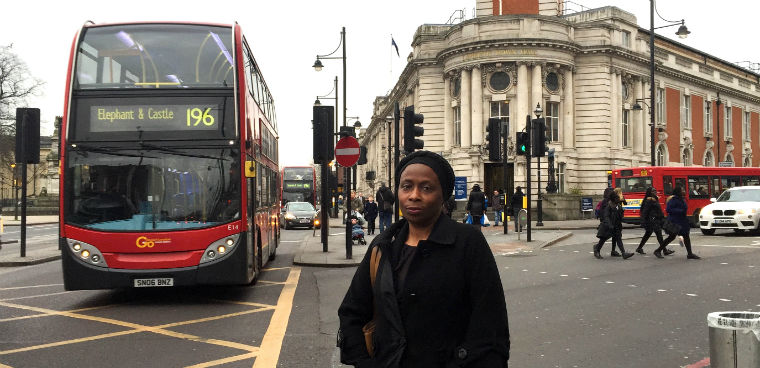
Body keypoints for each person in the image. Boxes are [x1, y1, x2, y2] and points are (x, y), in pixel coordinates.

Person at [337, 150, 510, 367]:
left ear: (443, 195)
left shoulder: (468, 243)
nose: (414, 195)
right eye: (406, 186)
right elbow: (352, 312)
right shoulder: (384, 245)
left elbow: (490, 328)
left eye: (426, 188)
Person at [656, 186, 701, 260]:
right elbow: (668, 209)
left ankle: (690, 254)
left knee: (686, 236)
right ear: (678, 192)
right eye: (682, 189)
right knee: (672, 237)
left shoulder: (681, 199)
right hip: (675, 221)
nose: (684, 191)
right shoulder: (673, 200)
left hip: (682, 221)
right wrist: (680, 211)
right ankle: (658, 250)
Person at [593, 192, 634, 260]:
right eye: (617, 198)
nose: (619, 199)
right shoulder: (608, 206)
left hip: (616, 225)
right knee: (603, 239)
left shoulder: (618, 205)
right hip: (608, 226)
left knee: (618, 239)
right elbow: (606, 217)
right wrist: (610, 225)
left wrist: (621, 214)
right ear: (613, 199)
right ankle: (597, 250)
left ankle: (624, 253)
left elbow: (620, 215)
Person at [636, 187, 675, 256]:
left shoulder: (654, 199)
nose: (655, 192)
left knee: (648, 234)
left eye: (655, 190)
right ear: (649, 192)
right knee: (659, 235)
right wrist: (643, 221)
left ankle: (639, 248)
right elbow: (645, 211)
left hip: (657, 219)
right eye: (653, 191)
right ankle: (664, 250)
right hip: (653, 220)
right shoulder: (649, 200)